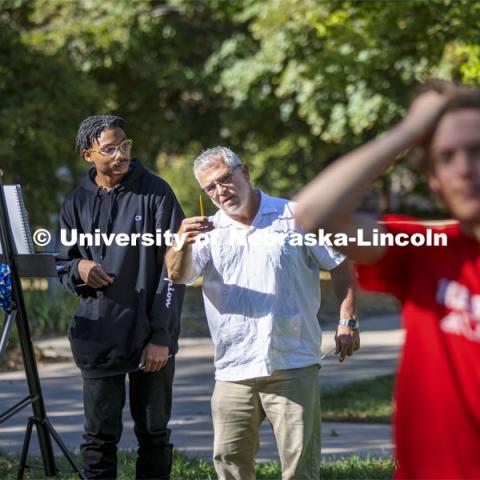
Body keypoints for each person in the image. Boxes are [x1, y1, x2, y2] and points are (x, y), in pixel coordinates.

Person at [294, 81, 480, 479]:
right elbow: (313, 213)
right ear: (433, 180)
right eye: (447, 157)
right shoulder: (425, 247)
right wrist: (409, 132)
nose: (464, 169)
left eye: (477, 152)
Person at [165, 146, 359, 480]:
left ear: (245, 171)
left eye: (225, 178)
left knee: (300, 469)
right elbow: (177, 275)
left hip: (293, 361)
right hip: (233, 368)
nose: (220, 190)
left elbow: (341, 264)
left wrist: (347, 320)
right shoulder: (207, 230)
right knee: (229, 462)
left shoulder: (296, 215)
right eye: (209, 187)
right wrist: (180, 243)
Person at [56, 115, 185, 479]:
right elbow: (62, 263)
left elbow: (176, 270)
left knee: (154, 436)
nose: (121, 154)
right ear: (88, 155)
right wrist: (78, 267)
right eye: (110, 148)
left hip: (150, 337)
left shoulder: (157, 193)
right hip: (97, 336)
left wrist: (161, 336)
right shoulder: (76, 202)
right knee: (98, 439)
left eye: (125, 145)